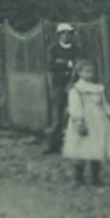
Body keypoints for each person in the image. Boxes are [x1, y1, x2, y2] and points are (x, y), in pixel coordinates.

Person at [65, 58, 110, 185]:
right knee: (82, 147)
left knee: (97, 146)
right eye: (86, 72)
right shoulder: (76, 89)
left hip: (98, 120)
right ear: (79, 73)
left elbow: (104, 104)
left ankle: (96, 177)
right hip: (84, 119)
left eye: (91, 72)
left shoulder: (98, 88)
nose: (90, 74)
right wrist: (79, 121)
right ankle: (78, 177)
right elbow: (75, 106)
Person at [44, 23, 78, 154]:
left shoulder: (76, 48)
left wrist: (63, 63)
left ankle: (75, 144)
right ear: (59, 35)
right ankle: (54, 145)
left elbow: (78, 64)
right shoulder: (53, 49)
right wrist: (68, 64)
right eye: (63, 33)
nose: (66, 35)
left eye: (69, 33)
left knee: (75, 112)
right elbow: (51, 65)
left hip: (73, 84)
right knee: (57, 114)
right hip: (58, 84)